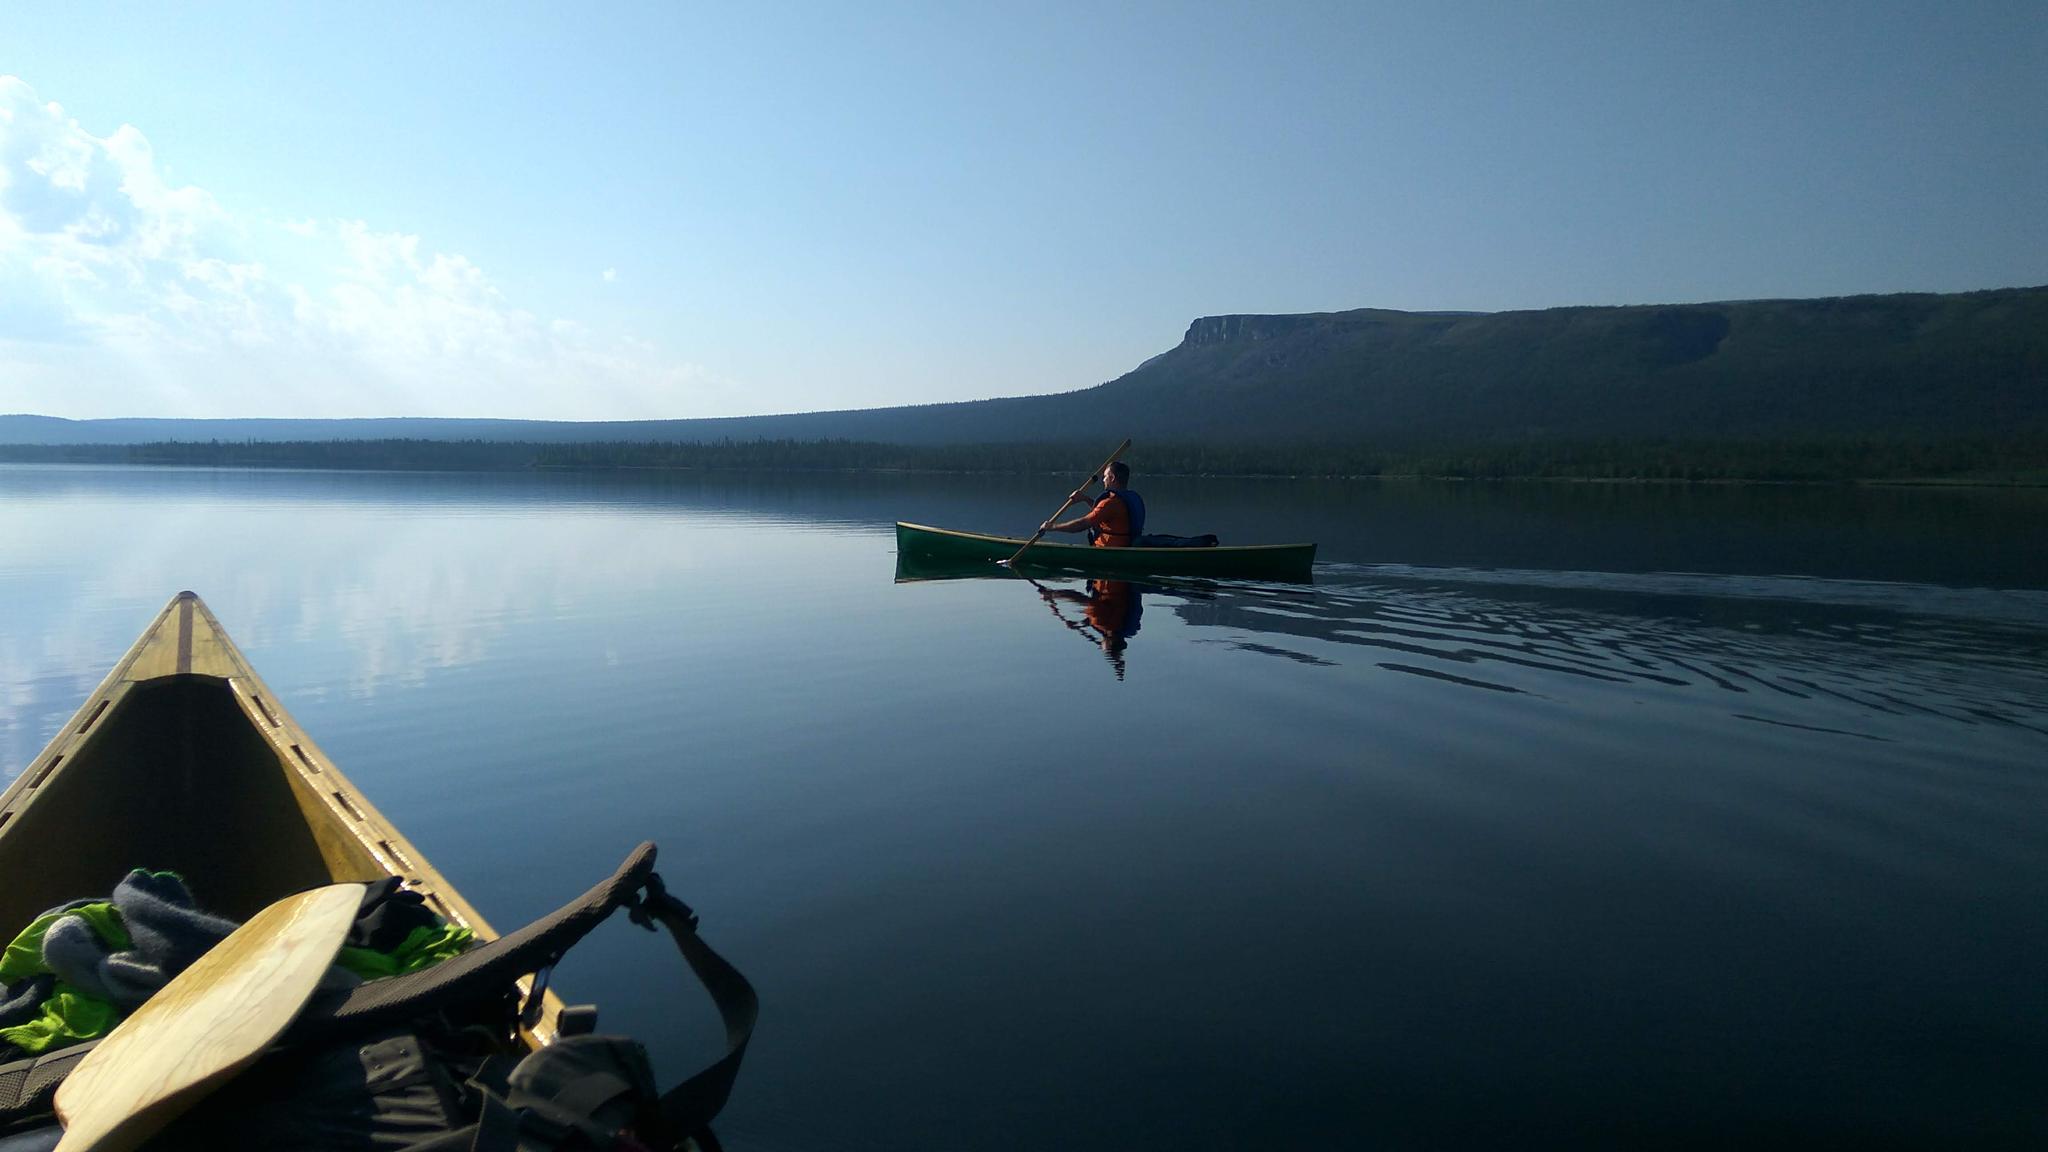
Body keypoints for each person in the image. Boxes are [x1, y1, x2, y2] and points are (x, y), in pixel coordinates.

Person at [1039, 461, 1146, 548]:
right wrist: (1085, 499)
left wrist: (1052, 526)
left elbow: (1082, 524)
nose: (1103, 480)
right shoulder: (1129, 499)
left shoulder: (1110, 503)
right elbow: (1105, 513)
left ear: (1112, 478)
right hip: (1126, 544)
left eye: (1105, 477)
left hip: (1107, 548)